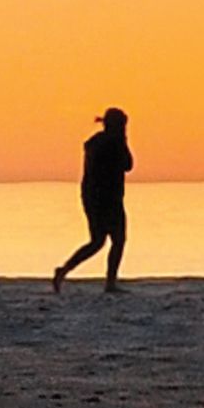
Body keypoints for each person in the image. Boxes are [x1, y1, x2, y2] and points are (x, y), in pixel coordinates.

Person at [48, 104, 133, 289]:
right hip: (106, 198)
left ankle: (63, 271)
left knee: (98, 241)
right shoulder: (111, 143)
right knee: (115, 240)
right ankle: (109, 282)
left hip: (94, 197)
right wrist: (123, 141)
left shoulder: (96, 142)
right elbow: (128, 165)